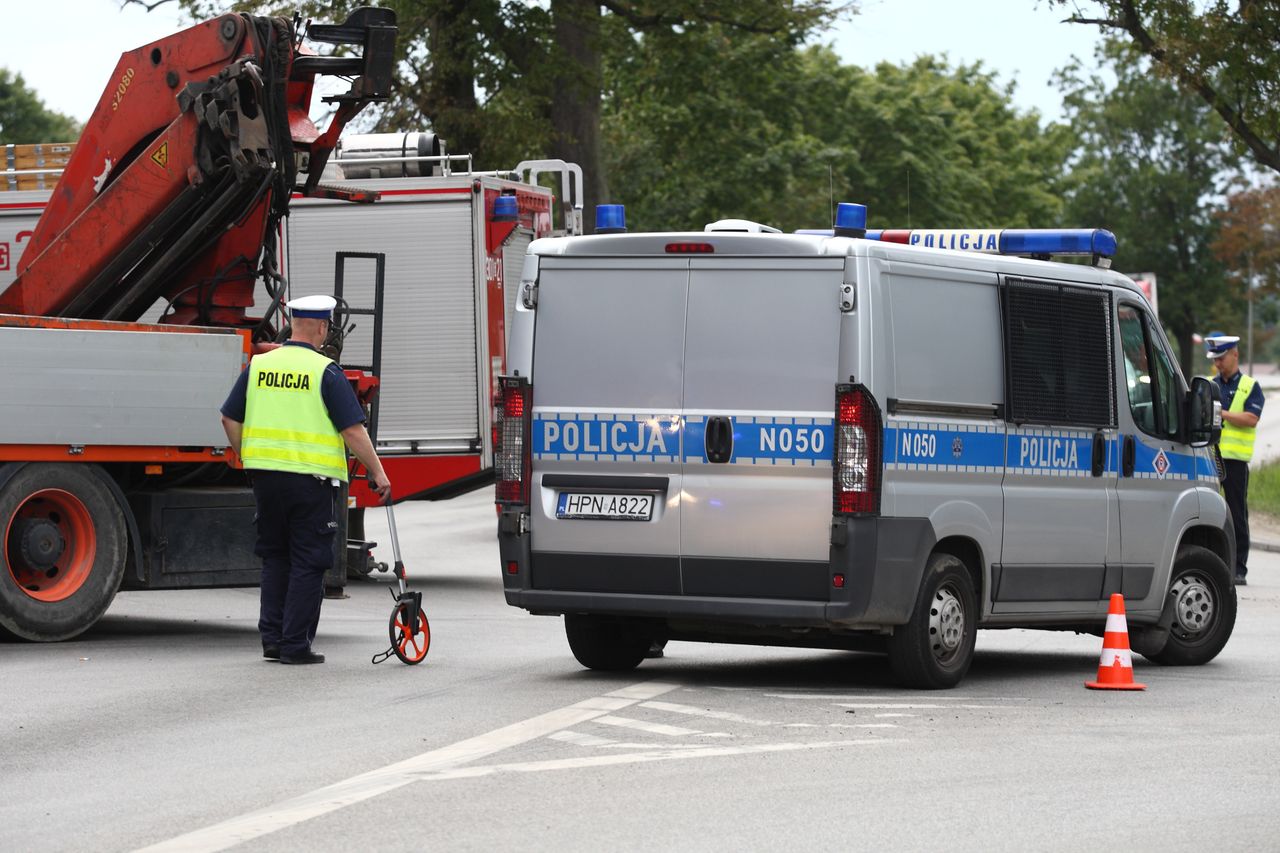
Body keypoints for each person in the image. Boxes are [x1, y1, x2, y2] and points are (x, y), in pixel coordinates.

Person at [220, 295, 392, 663]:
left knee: (276, 556)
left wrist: (248, 455)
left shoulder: (259, 366)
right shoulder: (324, 372)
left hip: (265, 479)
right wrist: (378, 472)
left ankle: (273, 640)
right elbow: (352, 431)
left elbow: (229, 419)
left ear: (293, 324)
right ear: (322, 327)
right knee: (309, 561)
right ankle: (295, 645)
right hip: (309, 483)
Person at [1206, 332, 1264, 586]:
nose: (1218, 364)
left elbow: (1251, 418)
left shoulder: (1250, 386)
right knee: (1207, 512)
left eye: (1222, 358)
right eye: (1215, 359)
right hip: (1209, 459)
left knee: (1236, 514)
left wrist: (1223, 414)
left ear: (1235, 354)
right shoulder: (1209, 383)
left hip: (1236, 462)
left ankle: (1239, 567)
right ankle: (1214, 564)